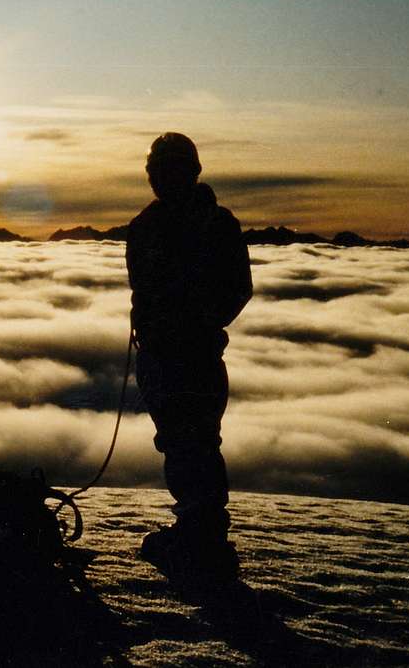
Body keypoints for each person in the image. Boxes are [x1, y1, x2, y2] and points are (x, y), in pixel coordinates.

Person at [126, 132, 253, 585]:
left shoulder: (214, 225)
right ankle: (198, 534)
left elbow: (236, 289)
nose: (161, 178)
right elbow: (142, 287)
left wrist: (192, 321)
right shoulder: (147, 227)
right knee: (182, 442)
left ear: (191, 172)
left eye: (170, 169)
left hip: (192, 356)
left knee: (192, 441)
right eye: (157, 170)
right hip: (162, 356)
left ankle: (203, 540)